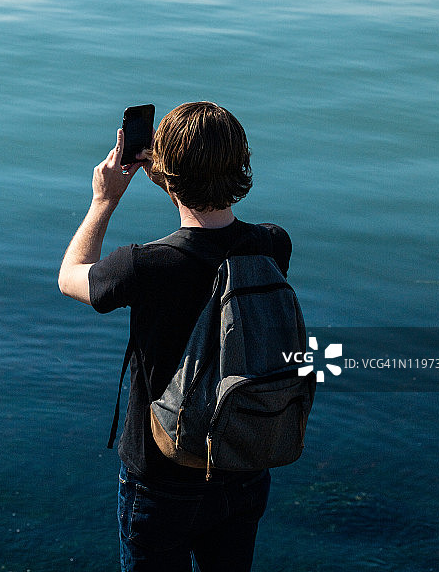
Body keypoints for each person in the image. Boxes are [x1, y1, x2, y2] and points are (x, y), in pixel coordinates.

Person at [58, 101, 292, 572]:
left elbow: (71, 276)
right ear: (242, 164)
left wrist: (104, 201)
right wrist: (170, 174)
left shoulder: (143, 266)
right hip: (242, 462)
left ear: (164, 172)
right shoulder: (272, 245)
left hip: (162, 481)